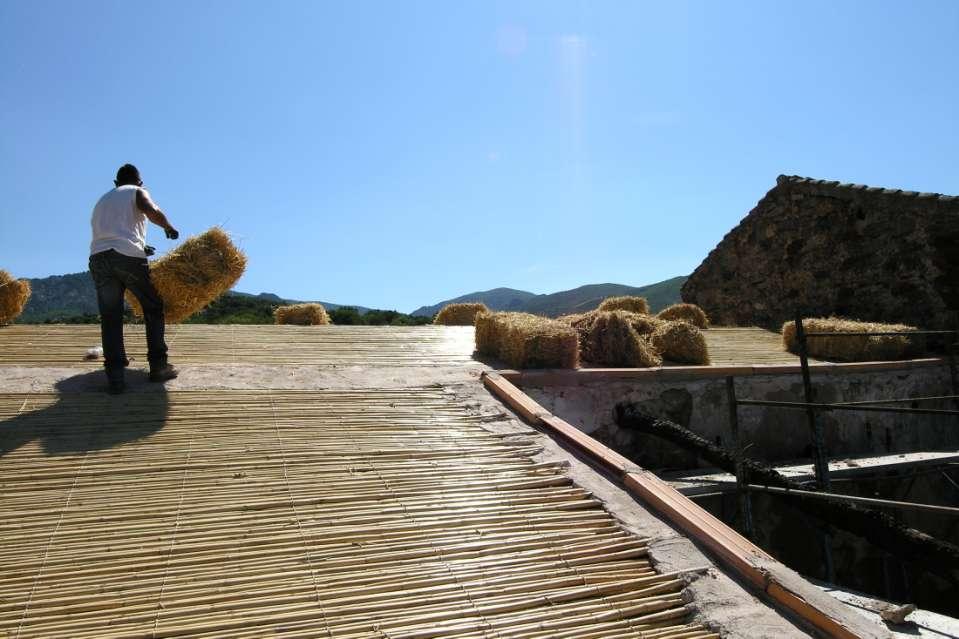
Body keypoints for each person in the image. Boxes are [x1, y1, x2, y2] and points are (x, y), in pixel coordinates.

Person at [89, 164, 180, 394]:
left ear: (115, 183)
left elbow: (115, 233)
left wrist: (141, 247)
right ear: (139, 182)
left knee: (110, 317)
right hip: (126, 258)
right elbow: (151, 210)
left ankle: (115, 377)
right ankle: (158, 366)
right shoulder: (137, 192)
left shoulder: (102, 201)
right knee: (153, 307)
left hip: (99, 258)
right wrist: (168, 226)